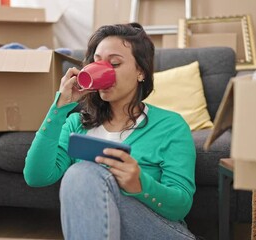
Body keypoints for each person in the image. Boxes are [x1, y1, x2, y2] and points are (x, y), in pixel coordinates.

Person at [24, 22, 197, 240]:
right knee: (81, 174)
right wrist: (59, 109)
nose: (103, 70)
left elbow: (181, 206)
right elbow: (36, 177)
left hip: (161, 232)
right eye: (97, 63)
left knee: (82, 173)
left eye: (114, 63)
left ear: (140, 71)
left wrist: (141, 185)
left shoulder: (171, 126)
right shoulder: (77, 123)